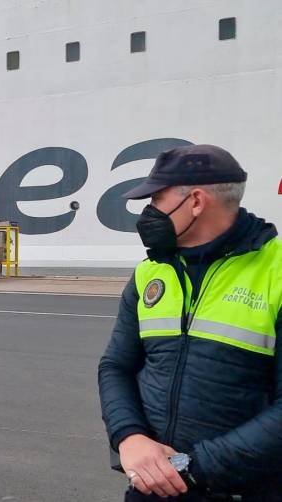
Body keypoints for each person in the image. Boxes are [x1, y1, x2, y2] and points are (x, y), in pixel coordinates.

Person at [98, 144, 282, 501]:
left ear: (196, 202)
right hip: (153, 488)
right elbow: (115, 366)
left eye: (156, 200)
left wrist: (190, 468)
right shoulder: (149, 274)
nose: (148, 212)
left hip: (243, 490)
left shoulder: (276, 274)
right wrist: (129, 436)